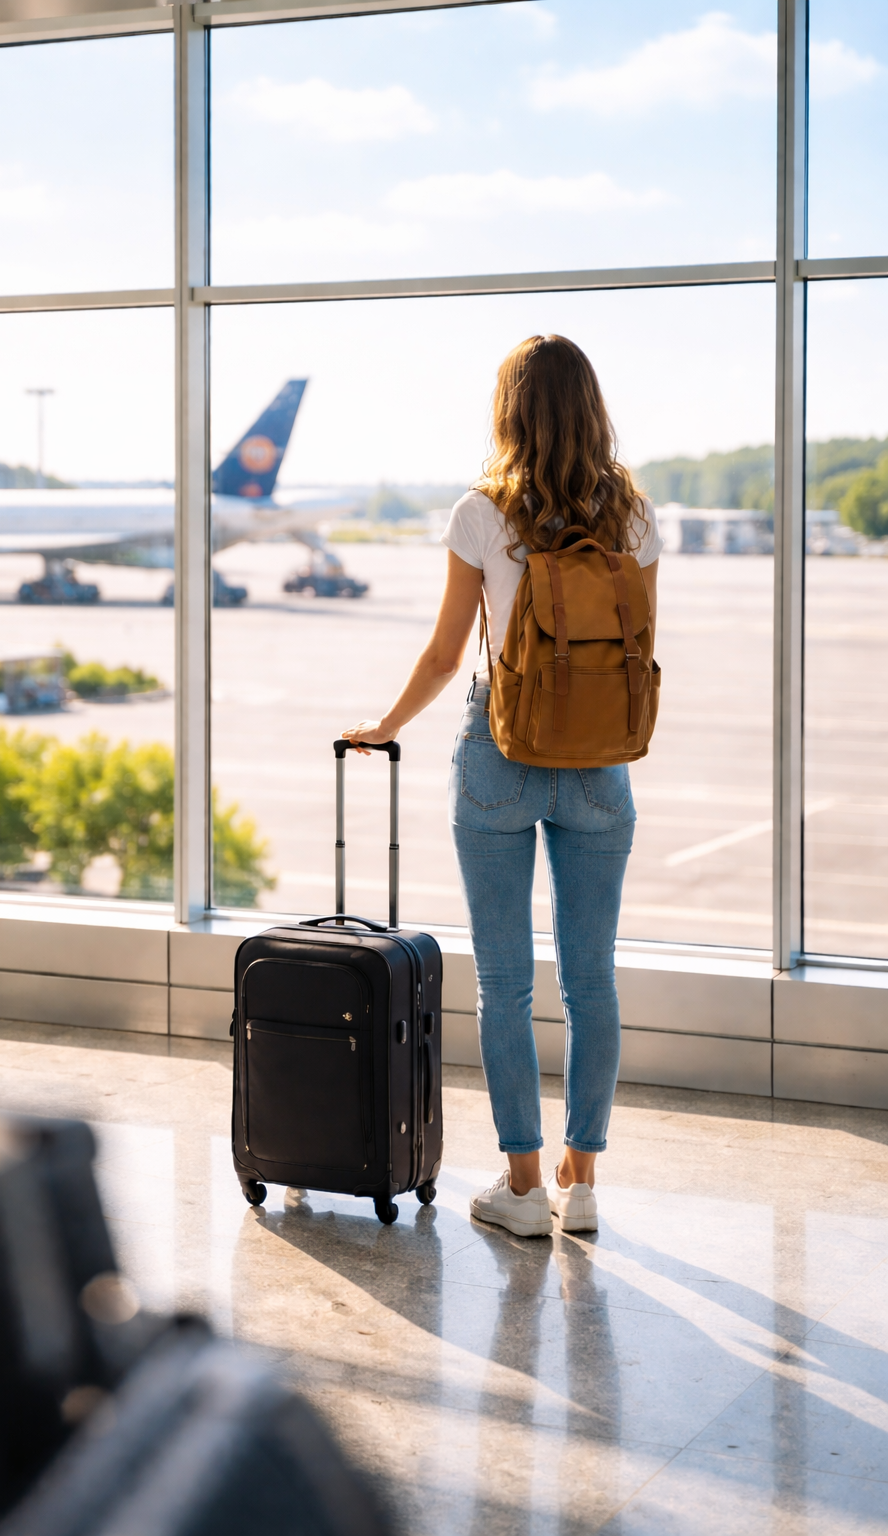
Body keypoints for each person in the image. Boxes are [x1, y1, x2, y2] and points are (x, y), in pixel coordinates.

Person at [343, 334, 661, 1239]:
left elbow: (448, 654)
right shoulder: (635, 518)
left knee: (506, 985)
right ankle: (583, 1179)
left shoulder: (483, 514)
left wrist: (386, 727)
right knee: (592, 979)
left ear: (510, 410)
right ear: (592, 408)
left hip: (500, 750)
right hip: (601, 759)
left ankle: (521, 1186)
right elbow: (631, 652)